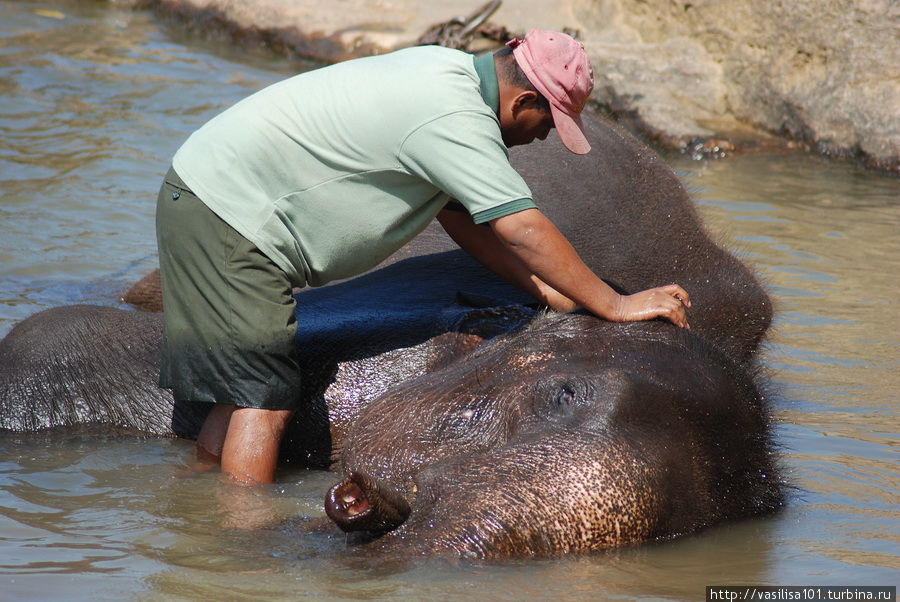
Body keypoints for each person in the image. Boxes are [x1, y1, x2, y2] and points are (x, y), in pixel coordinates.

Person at [155, 29, 691, 486]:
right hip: (228, 213)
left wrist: (549, 293)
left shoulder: (445, 70)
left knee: (240, 391)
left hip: (210, 196)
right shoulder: (454, 118)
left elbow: (464, 220)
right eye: (549, 124)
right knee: (265, 398)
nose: (542, 138)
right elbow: (522, 227)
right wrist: (615, 303)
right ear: (523, 103)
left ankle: (200, 507)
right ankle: (239, 551)